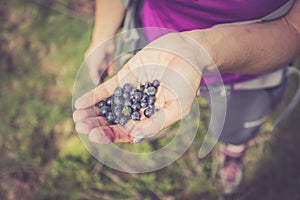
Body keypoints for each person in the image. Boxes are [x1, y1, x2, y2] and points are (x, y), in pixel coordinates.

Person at [73, 0, 300, 195]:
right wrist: (102, 34)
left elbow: (294, 27)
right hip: (152, 47)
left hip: (249, 71)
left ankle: (233, 150)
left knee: (234, 128)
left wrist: (195, 51)